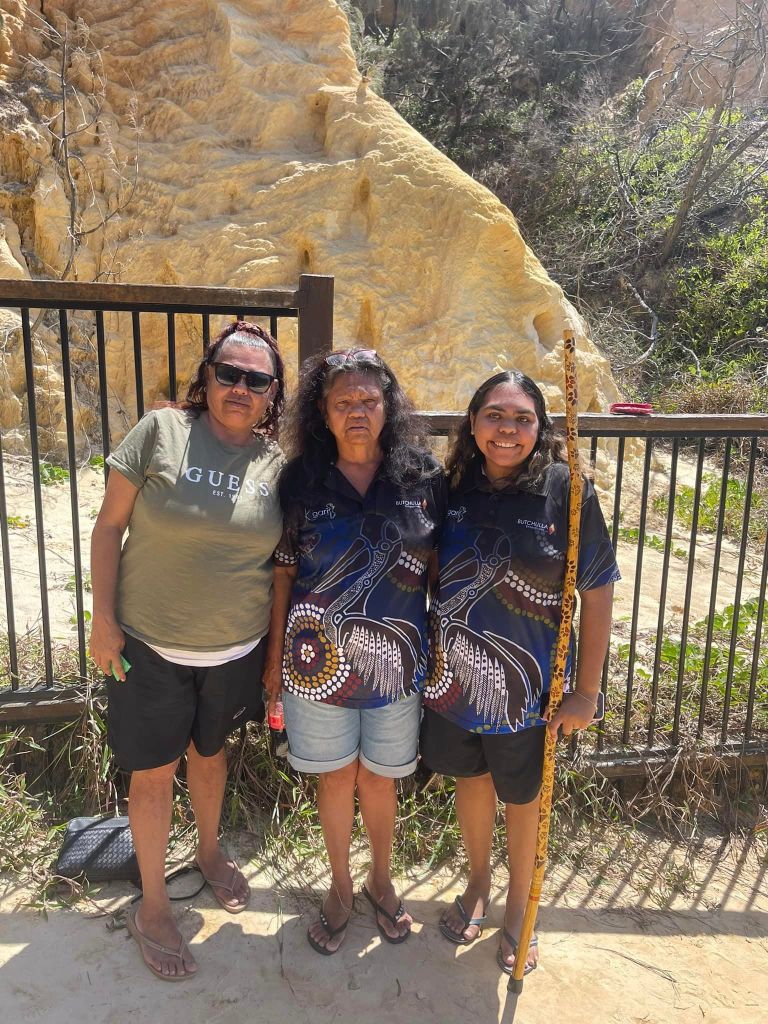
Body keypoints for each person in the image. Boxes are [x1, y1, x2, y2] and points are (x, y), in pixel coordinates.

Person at [89, 321, 286, 980]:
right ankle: (152, 906)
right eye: (228, 373)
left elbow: (283, 565)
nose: (240, 388)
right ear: (207, 376)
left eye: (256, 380)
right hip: (148, 645)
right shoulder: (161, 432)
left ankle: (207, 851)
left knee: (210, 755)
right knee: (152, 774)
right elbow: (109, 526)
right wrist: (103, 619)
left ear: (272, 393)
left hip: (234, 651)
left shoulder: (276, 465)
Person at [421, 369, 619, 977]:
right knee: (472, 779)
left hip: (530, 692)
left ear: (541, 428)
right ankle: (478, 883)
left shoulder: (568, 492)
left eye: (522, 419)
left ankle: (517, 909)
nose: (507, 430)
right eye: (495, 416)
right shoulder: (452, 486)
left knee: (524, 796)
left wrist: (586, 691)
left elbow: (598, 593)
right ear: (472, 423)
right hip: (454, 682)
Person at [263, 348, 445, 955]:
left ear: (390, 407)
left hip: (398, 666)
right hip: (315, 667)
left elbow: (440, 570)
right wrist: (273, 664)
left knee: (381, 780)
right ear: (323, 411)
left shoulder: (423, 477)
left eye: (369, 399)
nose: (357, 411)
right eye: (344, 401)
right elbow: (284, 572)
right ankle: (341, 886)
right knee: (338, 777)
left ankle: (380, 879)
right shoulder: (302, 480)